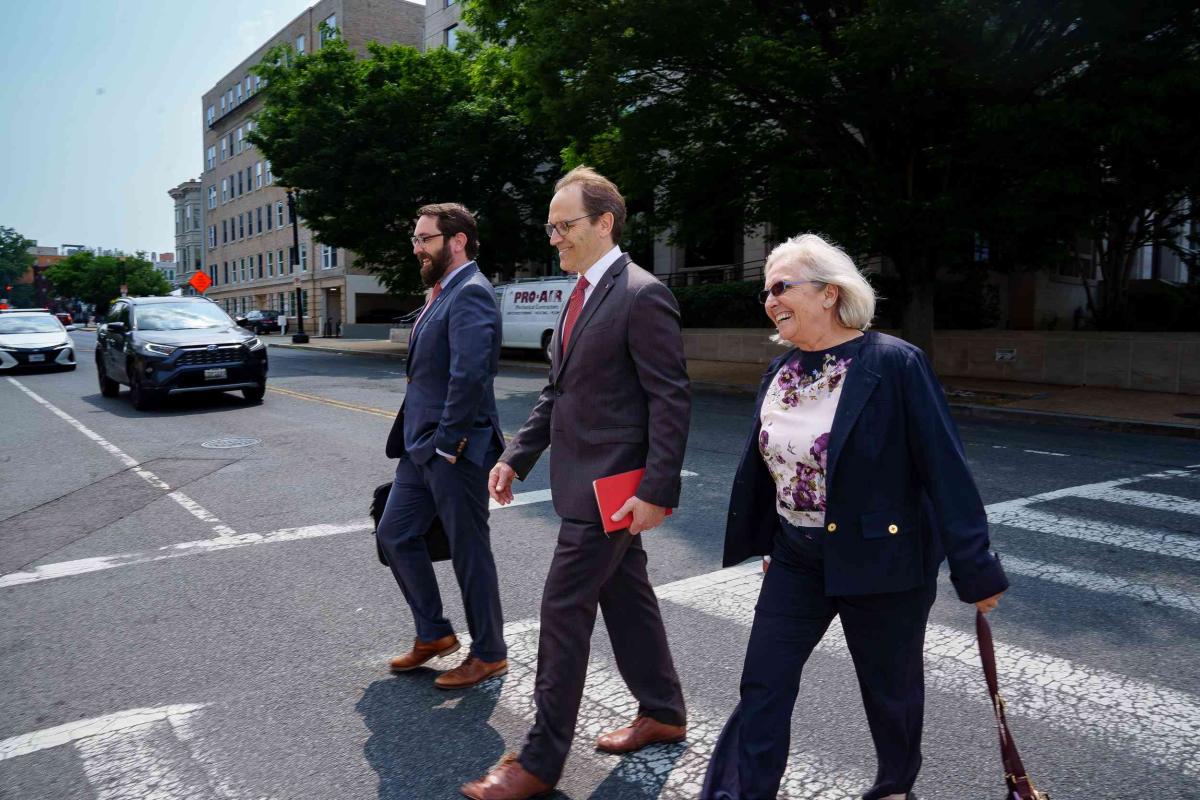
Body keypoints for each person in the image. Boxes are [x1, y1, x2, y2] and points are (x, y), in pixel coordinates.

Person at [701, 234, 1008, 800]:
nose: (769, 300)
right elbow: (775, 469)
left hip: (883, 559)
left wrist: (976, 568)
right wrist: (773, 541)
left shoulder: (893, 364)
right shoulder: (780, 372)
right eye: (765, 291)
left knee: (889, 693)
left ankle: (894, 787)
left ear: (829, 293)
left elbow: (946, 470)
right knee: (763, 682)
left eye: (781, 287)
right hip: (797, 558)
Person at [461, 167, 691, 800]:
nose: (554, 237)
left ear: (603, 223)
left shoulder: (641, 294)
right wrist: (517, 456)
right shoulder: (580, 292)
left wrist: (658, 488)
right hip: (584, 483)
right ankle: (664, 711)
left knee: (563, 610)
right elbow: (558, 390)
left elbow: (669, 398)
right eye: (551, 226)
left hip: (613, 488)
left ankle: (539, 761)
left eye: (564, 225)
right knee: (626, 596)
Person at [378, 203, 508, 690]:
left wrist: (448, 444)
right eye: (416, 239)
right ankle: (433, 633)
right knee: (394, 533)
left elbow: (471, 374)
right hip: (419, 446)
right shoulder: (440, 292)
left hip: (452, 448)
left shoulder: (471, 293)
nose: (417, 247)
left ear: (456, 241)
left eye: (425, 239)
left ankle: (490, 652)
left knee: (469, 549)